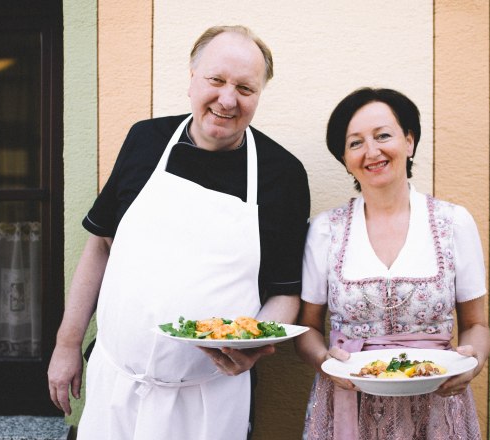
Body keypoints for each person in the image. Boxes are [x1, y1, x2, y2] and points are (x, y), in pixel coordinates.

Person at [47, 25, 310, 439]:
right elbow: (100, 245)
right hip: (115, 384)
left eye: (245, 88)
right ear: (192, 75)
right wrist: (67, 344)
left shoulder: (283, 175)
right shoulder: (145, 140)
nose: (227, 99)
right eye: (216, 80)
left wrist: (252, 348)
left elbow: (285, 292)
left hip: (211, 398)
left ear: (260, 94)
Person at [294, 87, 490, 439]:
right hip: (348, 401)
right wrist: (326, 362)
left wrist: (471, 364)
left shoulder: (454, 223)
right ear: (344, 157)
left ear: (410, 141)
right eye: (355, 143)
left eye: (383, 135)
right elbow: (307, 328)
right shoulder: (326, 230)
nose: (372, 151)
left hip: (437, 404)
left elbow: (477, 324)